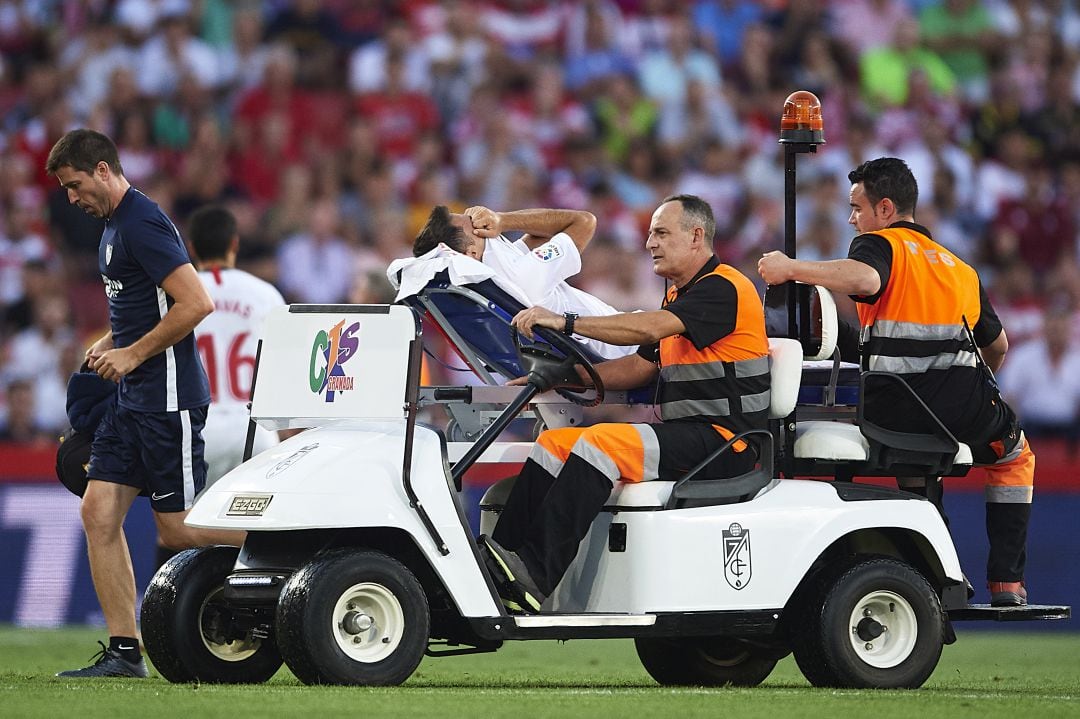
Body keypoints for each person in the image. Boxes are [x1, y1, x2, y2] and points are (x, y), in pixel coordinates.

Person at [757, 157, 1034, 607]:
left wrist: (791, 267)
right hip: (960, 406)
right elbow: (998, 346)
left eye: (857, 208)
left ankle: (943, 577)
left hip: (892, 406)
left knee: (914, 464)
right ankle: (1007, 585)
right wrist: (973, 395)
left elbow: (864, 278)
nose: (852, 219)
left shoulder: (879, 245)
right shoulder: (961, 269)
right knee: (1014, 456)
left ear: (885, 209)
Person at [478, 194, 770, 613]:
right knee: (555, 444)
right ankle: (500, 559)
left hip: (728, 443)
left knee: (600, 445)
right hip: (694, 437)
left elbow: (648, 329)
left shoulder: (724, 287)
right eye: (650, 233)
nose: (650, 242)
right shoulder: (681, 296)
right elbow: (638, 367)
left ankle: (535, 576)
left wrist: (564, 321)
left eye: (661, 233)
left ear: (696, 236)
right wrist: (563, 376)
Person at [45, 129, 244, 678]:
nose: (72, 198)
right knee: (97, 510)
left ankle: (299, 546)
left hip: (169, 400)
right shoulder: (113, 226)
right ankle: (124, 653)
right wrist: (111, 343)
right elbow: (144, 304)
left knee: (177, 528)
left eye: (76, 185)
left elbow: (196, 301)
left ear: (104, 169)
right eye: (66, 189)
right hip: (133, 402)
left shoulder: (142, 222)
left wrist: (131, 353)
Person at [146, 204, 291, 569]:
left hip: (195, 429)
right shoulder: (266, 295)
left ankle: (162, 618)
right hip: (254, 432)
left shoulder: (175, 295)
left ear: (190, 248)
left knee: (177, 531)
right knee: (249, 534)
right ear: (234, 244)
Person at [403, 204, 636, 360]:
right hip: (631, 346)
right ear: (471, 253)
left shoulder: (497, 273)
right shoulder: (520, 277)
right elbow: (583, 221)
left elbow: (542, 235)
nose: (479, 221)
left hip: (620, 340)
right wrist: (503, 220)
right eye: (473, 225)